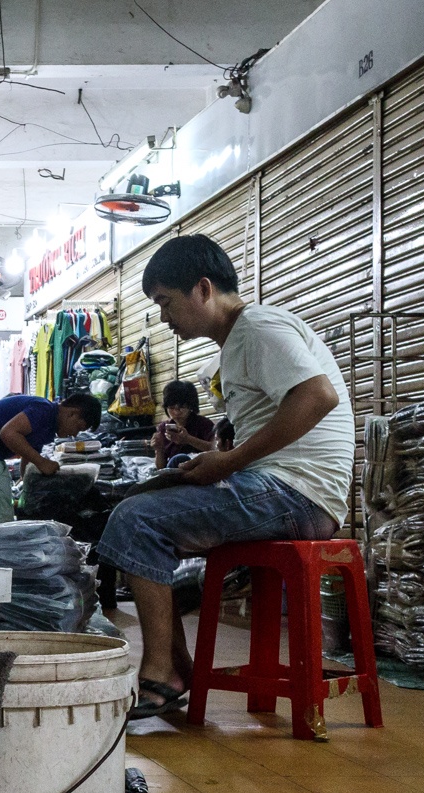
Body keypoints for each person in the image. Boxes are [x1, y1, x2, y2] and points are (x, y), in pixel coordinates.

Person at [96, 234, 354, 719]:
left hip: (299, 494)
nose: (165, 318)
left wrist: (228, 463)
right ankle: (173, 663)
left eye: (165, 303)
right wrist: (209, 460)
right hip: (282, 487)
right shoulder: (234, 345)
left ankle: (164, 671)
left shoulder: (258, 327)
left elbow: (318, 396)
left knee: (136, 522)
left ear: (202, 288)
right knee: (140, 502)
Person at [0, 391, 102, 523]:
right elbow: (8, 433)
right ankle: (0, 554)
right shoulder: (43, 410)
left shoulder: (49, 425)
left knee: (3, 514)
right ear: (72, 414)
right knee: (0, 520)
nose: (74, 435)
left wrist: (29, 487)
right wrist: (42, 462)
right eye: (78, 427)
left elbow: (27, 455)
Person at [152, 380, 218, 466]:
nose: (176, 412)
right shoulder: (163, 429)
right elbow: (161, 468)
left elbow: (217, 449)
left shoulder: (203, 424)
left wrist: (188, 439)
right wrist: (158, 450)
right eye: (171, 408)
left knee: (180, 459)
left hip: (200, 471)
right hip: (175, 474)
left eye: (181, 407)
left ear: (191, 406)